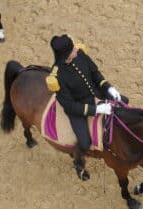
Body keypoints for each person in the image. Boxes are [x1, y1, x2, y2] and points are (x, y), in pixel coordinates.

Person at [46, 34, 125, 180]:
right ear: (65, 55)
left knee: (123, 101)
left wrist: (109, 88)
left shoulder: (80, 54)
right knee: (84, 142)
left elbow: (95, 74)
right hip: (78, 108)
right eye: (72, 49)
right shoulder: (57, 76)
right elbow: (69, 106)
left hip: (96, 93)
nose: (76, 49)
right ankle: (78, 162)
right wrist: (96, 110)